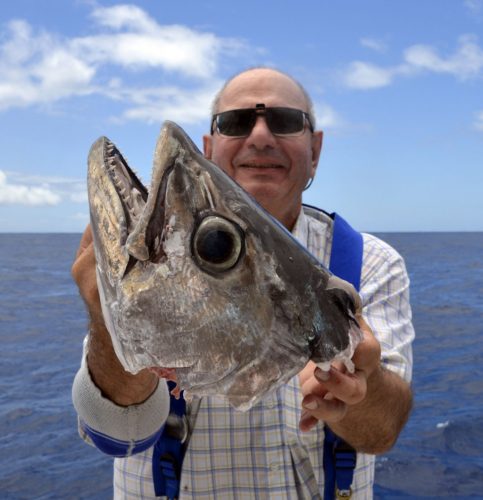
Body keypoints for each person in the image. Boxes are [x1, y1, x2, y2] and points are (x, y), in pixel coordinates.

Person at [72, 67, 414, 499]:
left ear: (316, 149)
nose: (260, 137)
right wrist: (109, 321)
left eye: (286, 121)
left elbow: (382, 433)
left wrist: (358, 393)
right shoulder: (152, 261)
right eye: (236, 123)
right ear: (210, 149)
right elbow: (117, 434)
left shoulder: (372, 264)